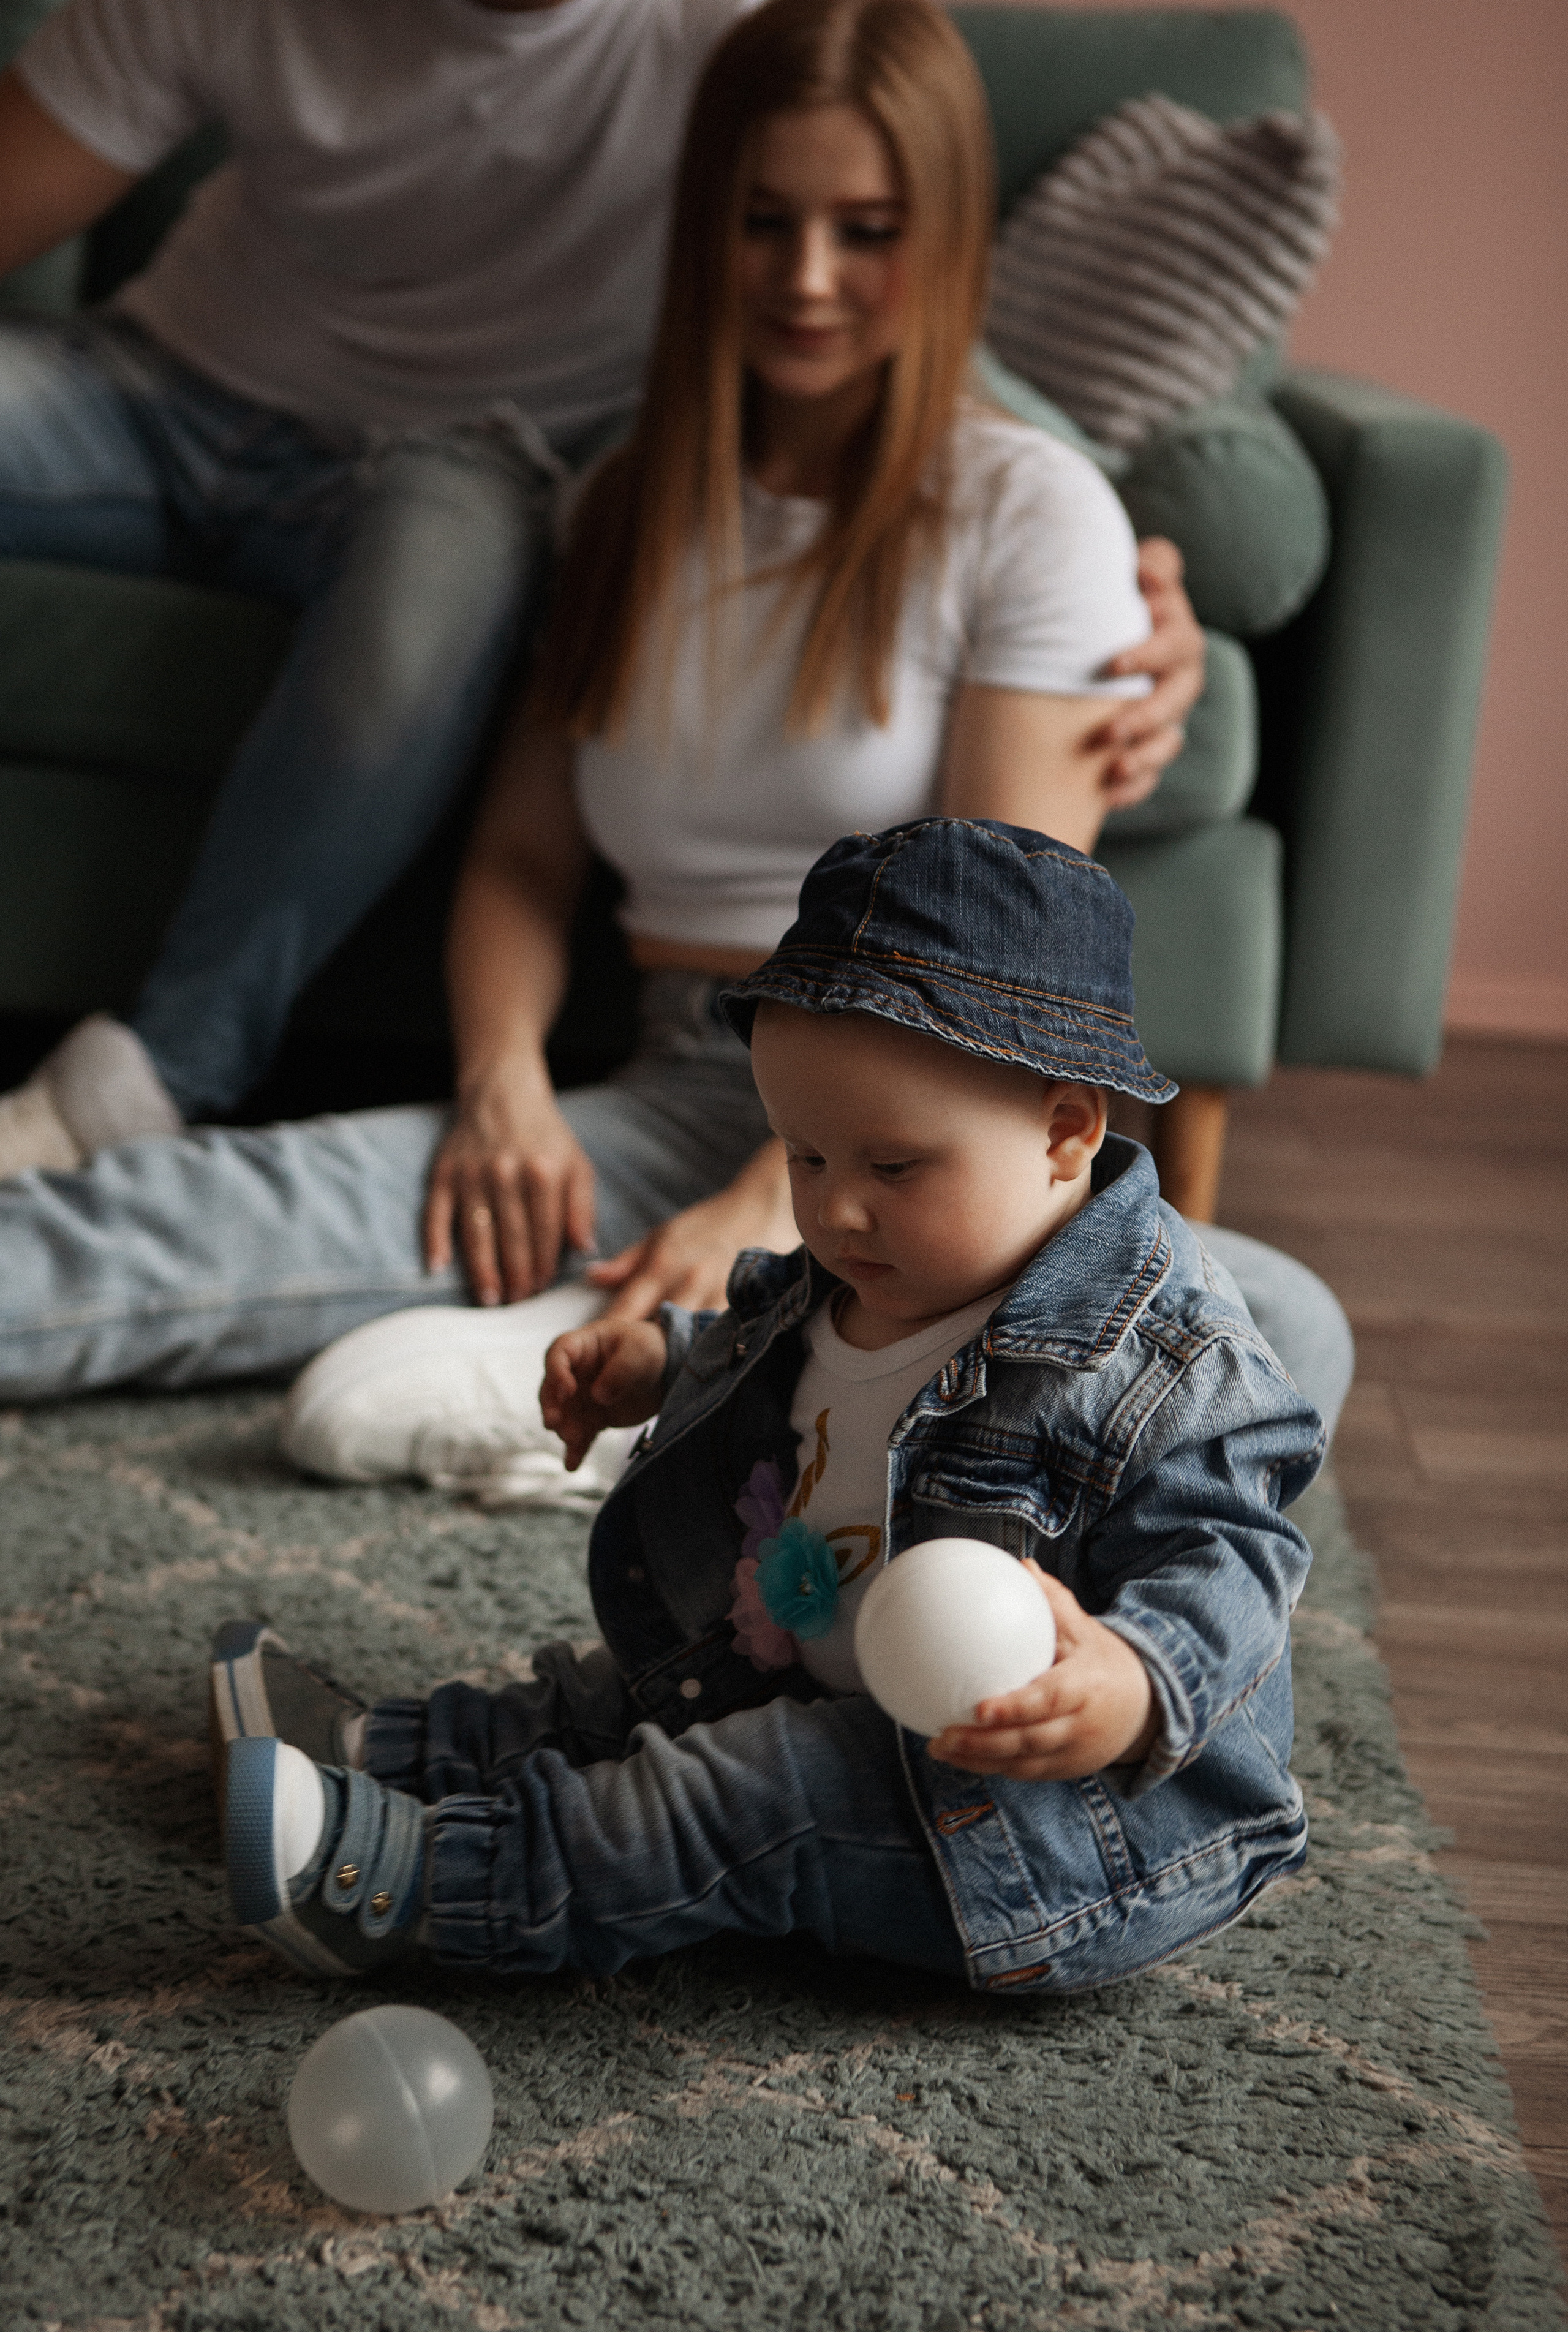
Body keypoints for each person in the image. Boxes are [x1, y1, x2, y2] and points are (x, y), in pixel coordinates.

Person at [0, 0, 1348, 1442]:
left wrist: (782, 1205)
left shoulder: (1029, 512)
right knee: (169, 1227)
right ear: (701, 220)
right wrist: (500, 1086)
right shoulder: (623, 501)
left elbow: (985, 974)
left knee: (1271, 1330)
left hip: (919, 1147)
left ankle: (723, 1377)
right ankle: (711, 1383)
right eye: (764, 221)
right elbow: (522, 859)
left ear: (944, 236)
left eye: (868, 229)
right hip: (663, 1100)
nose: (807, 277)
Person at [208, 817, 1323, 1993]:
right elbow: (792, 1354)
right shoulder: (883, 1263)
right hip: (814, 1658)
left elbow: (1236, 1563)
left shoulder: (1178, 1363)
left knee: (724, 1797)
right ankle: (381, 1754)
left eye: (891, 1168)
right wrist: (664, 1359)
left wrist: (1138, 1686)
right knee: (616, 1692)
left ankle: (431, 1889)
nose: (835, 1214)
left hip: (1036, 1827)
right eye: (803, 1157)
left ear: (1064, 1132)